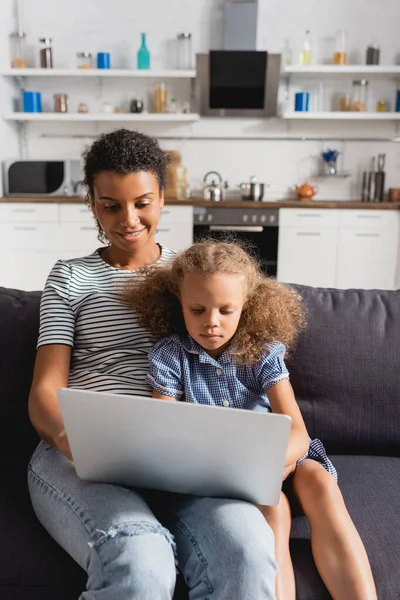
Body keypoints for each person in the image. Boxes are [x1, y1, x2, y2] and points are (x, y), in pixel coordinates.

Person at [27, 130, 278, 600]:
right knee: (140, 561)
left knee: (246, 553)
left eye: (142, 202)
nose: (128, 220)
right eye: (110, 205)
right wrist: (77, 443)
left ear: (163, 197)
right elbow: (45, 390)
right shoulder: (70, 276)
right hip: (83, 452)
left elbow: (247, 360)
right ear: (92, 204)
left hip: (183, 454)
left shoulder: (195, 276)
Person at [126, 240, 377, 600]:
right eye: (197, 309)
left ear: (246, 306)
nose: (211, 322)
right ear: (178, 303)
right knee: (273, 507)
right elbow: (165, 434)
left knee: (320, 481)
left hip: (280, 459)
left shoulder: (261, 351)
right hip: (223, 473)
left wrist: (273, 464)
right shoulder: (170, 357)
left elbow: (298, 434)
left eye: (226, 310)